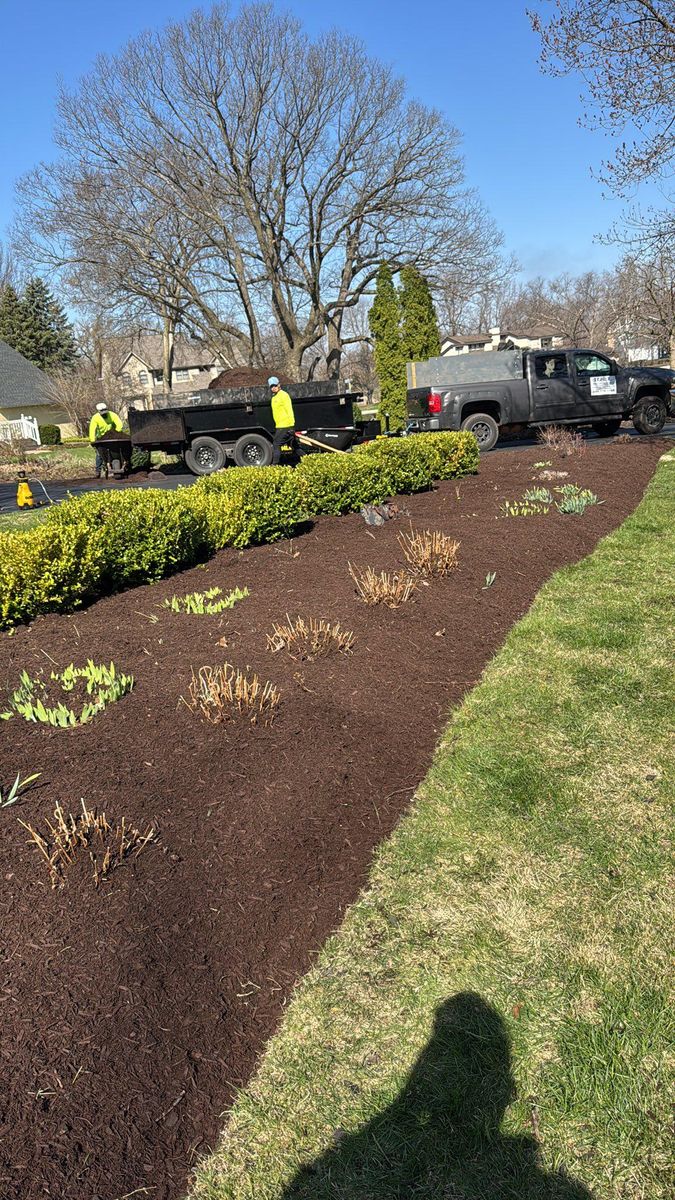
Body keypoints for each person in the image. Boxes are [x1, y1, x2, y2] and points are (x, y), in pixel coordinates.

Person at [88, 402, 123, 478]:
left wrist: (116, 432)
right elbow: (92, 430)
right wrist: (93, 440)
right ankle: (98, 471)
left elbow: (119, 424)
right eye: (102, 413)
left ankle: (122, 465)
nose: (104, 414)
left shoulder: (112, 415)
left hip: (113, 437)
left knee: (117, 451)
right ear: (99, 412)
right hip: (101, 439)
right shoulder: (95, 418)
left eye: (105, 412)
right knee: (99, 454)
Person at [268, 376, 296, 465]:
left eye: (275, 385)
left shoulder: (284, 395)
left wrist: (291, 426)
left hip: (286, 426)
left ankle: (275, 465)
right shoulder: (274, 398)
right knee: (295, 446)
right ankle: (307, 461)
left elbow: (289, 410)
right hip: (279, 425)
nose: (273, 388)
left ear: (279, 385)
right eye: (271, 386)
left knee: (276, 444)